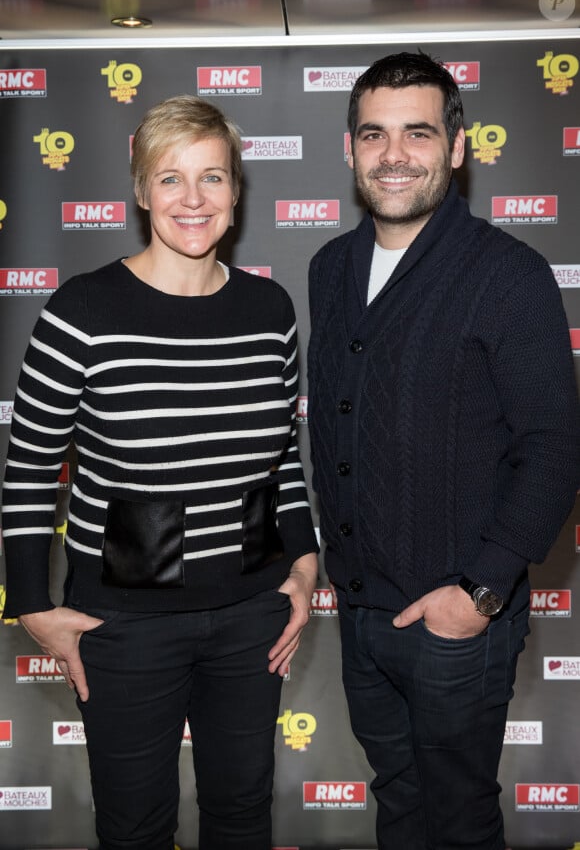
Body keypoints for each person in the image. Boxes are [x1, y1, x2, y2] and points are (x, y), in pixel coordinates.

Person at [1, 94, 319, 850]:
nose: (193, 198)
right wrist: (31, 605)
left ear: (237, 194)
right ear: (141, 190)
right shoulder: (82, 310)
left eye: (213, 177)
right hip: (125, 625)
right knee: (136, 827)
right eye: (170, 178)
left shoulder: (270, 310)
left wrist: (304, 565)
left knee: (242, 817)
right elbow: (27, 467)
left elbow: (283, 462)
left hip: (250, 619)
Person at [307, 51, 580, 850]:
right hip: (361, 612)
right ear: (350, 149)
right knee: (397, 803)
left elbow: (555, 448)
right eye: (374, 134)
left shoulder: (508, 274)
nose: (395, 155)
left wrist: (481, 593)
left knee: (457, 818)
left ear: (457, 148)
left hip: (457, 620)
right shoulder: (331, 268)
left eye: (418, 133)